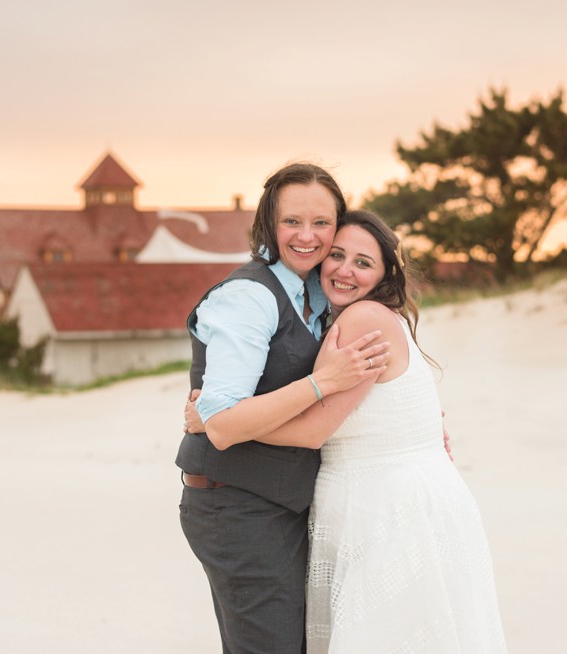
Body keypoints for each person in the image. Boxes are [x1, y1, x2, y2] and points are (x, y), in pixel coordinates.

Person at [187, 210, 508, 653]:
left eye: (363, 262)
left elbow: (311, 430)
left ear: (383, 275)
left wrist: (222, 420)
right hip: (404, 498)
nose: (344, 269)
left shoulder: (362, 321)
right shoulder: (361, 317)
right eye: (337, 255)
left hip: (384, 509)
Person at [175, 163, 391, 654]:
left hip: (286, 504)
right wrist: (323, 381)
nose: (308, 236)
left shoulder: (322, 294)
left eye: (322, 223)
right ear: (269, 224)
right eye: (293, 221)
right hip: (238, 507)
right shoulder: (250, 297)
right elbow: (225, 426)